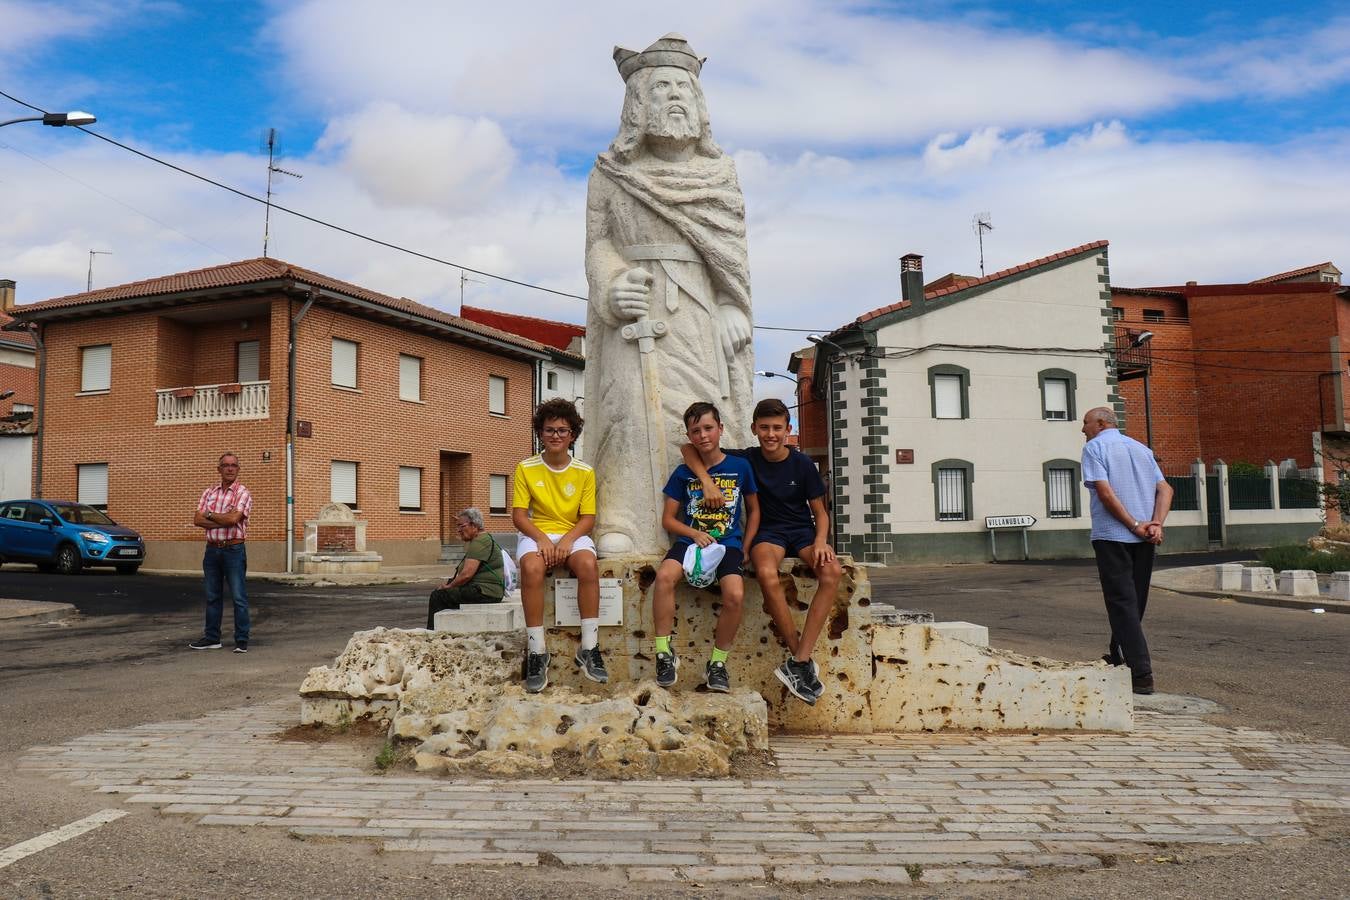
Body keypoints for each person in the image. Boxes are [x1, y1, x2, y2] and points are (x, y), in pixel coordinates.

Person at [584, 33, 755, 556]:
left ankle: (715, 527)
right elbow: (598, 244)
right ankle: (625, 520)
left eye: (684, 87)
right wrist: (612, 287)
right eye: (661, 87)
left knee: (701, 416)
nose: (675, 96)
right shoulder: (610, 174)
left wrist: (731, 304)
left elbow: (732, 255)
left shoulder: (719, 175)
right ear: (637, 105)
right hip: (633, 315)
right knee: (629, 414)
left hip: (697, 317)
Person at [681, 398, 838, 705]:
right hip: (768, 532)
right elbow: (688, 450)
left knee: (831, 571)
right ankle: (799, 658)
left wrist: (821, 541)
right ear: (754, 429)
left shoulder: (802, 464)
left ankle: (800, 660)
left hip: (803, 531)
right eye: (764, 427)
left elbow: (820, 513)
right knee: (766, 572)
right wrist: (706, 481)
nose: (770, 434)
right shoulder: (748, 458)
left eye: (777, 428)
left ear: (788, 430)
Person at [652, 401, 759, 693]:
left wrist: (746, 546)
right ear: (689, 435)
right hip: (689, 541)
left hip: (729, 544)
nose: (703, 435)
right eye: (695, 430)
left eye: (708, 428)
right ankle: (664, 653)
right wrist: (693, 533)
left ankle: (717, 664)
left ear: (720, 429)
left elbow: (754, 510)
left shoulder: (740, 467)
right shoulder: (682, 473)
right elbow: (667, 520)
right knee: (663, 578)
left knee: (735, 594)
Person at [1081, 406, 1174, 695]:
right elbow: (1166, 489)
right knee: (1134, 603)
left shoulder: (1095, 448)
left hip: (1114, 536)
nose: (1082, 429)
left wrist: (1134, 524)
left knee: (1121, 603)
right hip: (1146, 539)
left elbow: (1105, 492)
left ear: (1099, 423)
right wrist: (1156, 523)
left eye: (1085, 423)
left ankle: (1141, 673)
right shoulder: (1141, 449)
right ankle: (1117, 654)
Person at [512, 398, 602, 693]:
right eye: (549, 429)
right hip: (536, 533)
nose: (555, 435)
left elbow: (587, 517)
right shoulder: (526, 468)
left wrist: (567, 540)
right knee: (531, 567)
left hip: (572, 534)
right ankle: (538, 651)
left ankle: (589, 648)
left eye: (562, 430)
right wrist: (540, 539)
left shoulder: (584, 472)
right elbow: (519, 516)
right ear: (540, 432)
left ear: (572, 435)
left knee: (588, 565)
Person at [189, 452, 253, 652]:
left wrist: (210, 516)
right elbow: (197, 520)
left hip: (234, 549)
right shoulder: (209, 492)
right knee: (212, 596)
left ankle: (241, 640)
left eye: (234, 465)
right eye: (226, 465)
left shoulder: (243, 492)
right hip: (212, 551)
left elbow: (233, 520)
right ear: (219, 469)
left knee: (238, 597)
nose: (230, 469)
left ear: (238, 469)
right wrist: (220, 518)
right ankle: (212, 638)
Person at [426, 508, 505, 629]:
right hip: (487, 590)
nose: (458, 530)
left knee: (438, 596)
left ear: (474, 525)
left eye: (461, 526)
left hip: (485, 592)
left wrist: (449, 586)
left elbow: (467, 574)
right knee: (446, 591)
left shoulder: (480, 542)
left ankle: (432, 632)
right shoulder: (483, 539)